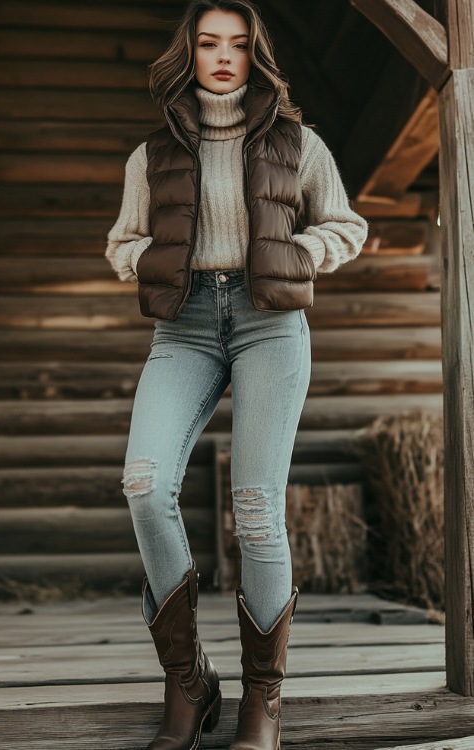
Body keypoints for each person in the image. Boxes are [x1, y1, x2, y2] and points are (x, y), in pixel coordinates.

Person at [105, 1, 368, 747]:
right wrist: (143, 260)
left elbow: (346, 224)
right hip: (182, 327)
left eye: (240, 45)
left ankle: (264, 700)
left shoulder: (298, 143)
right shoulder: (150, 157)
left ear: (257, 55)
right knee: (144, 484)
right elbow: (122, 243)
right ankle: (190, 683)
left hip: (270, 325)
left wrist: (303, 254)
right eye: (209, 43)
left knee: (255, 507)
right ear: (188, 52)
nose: (224, 57)